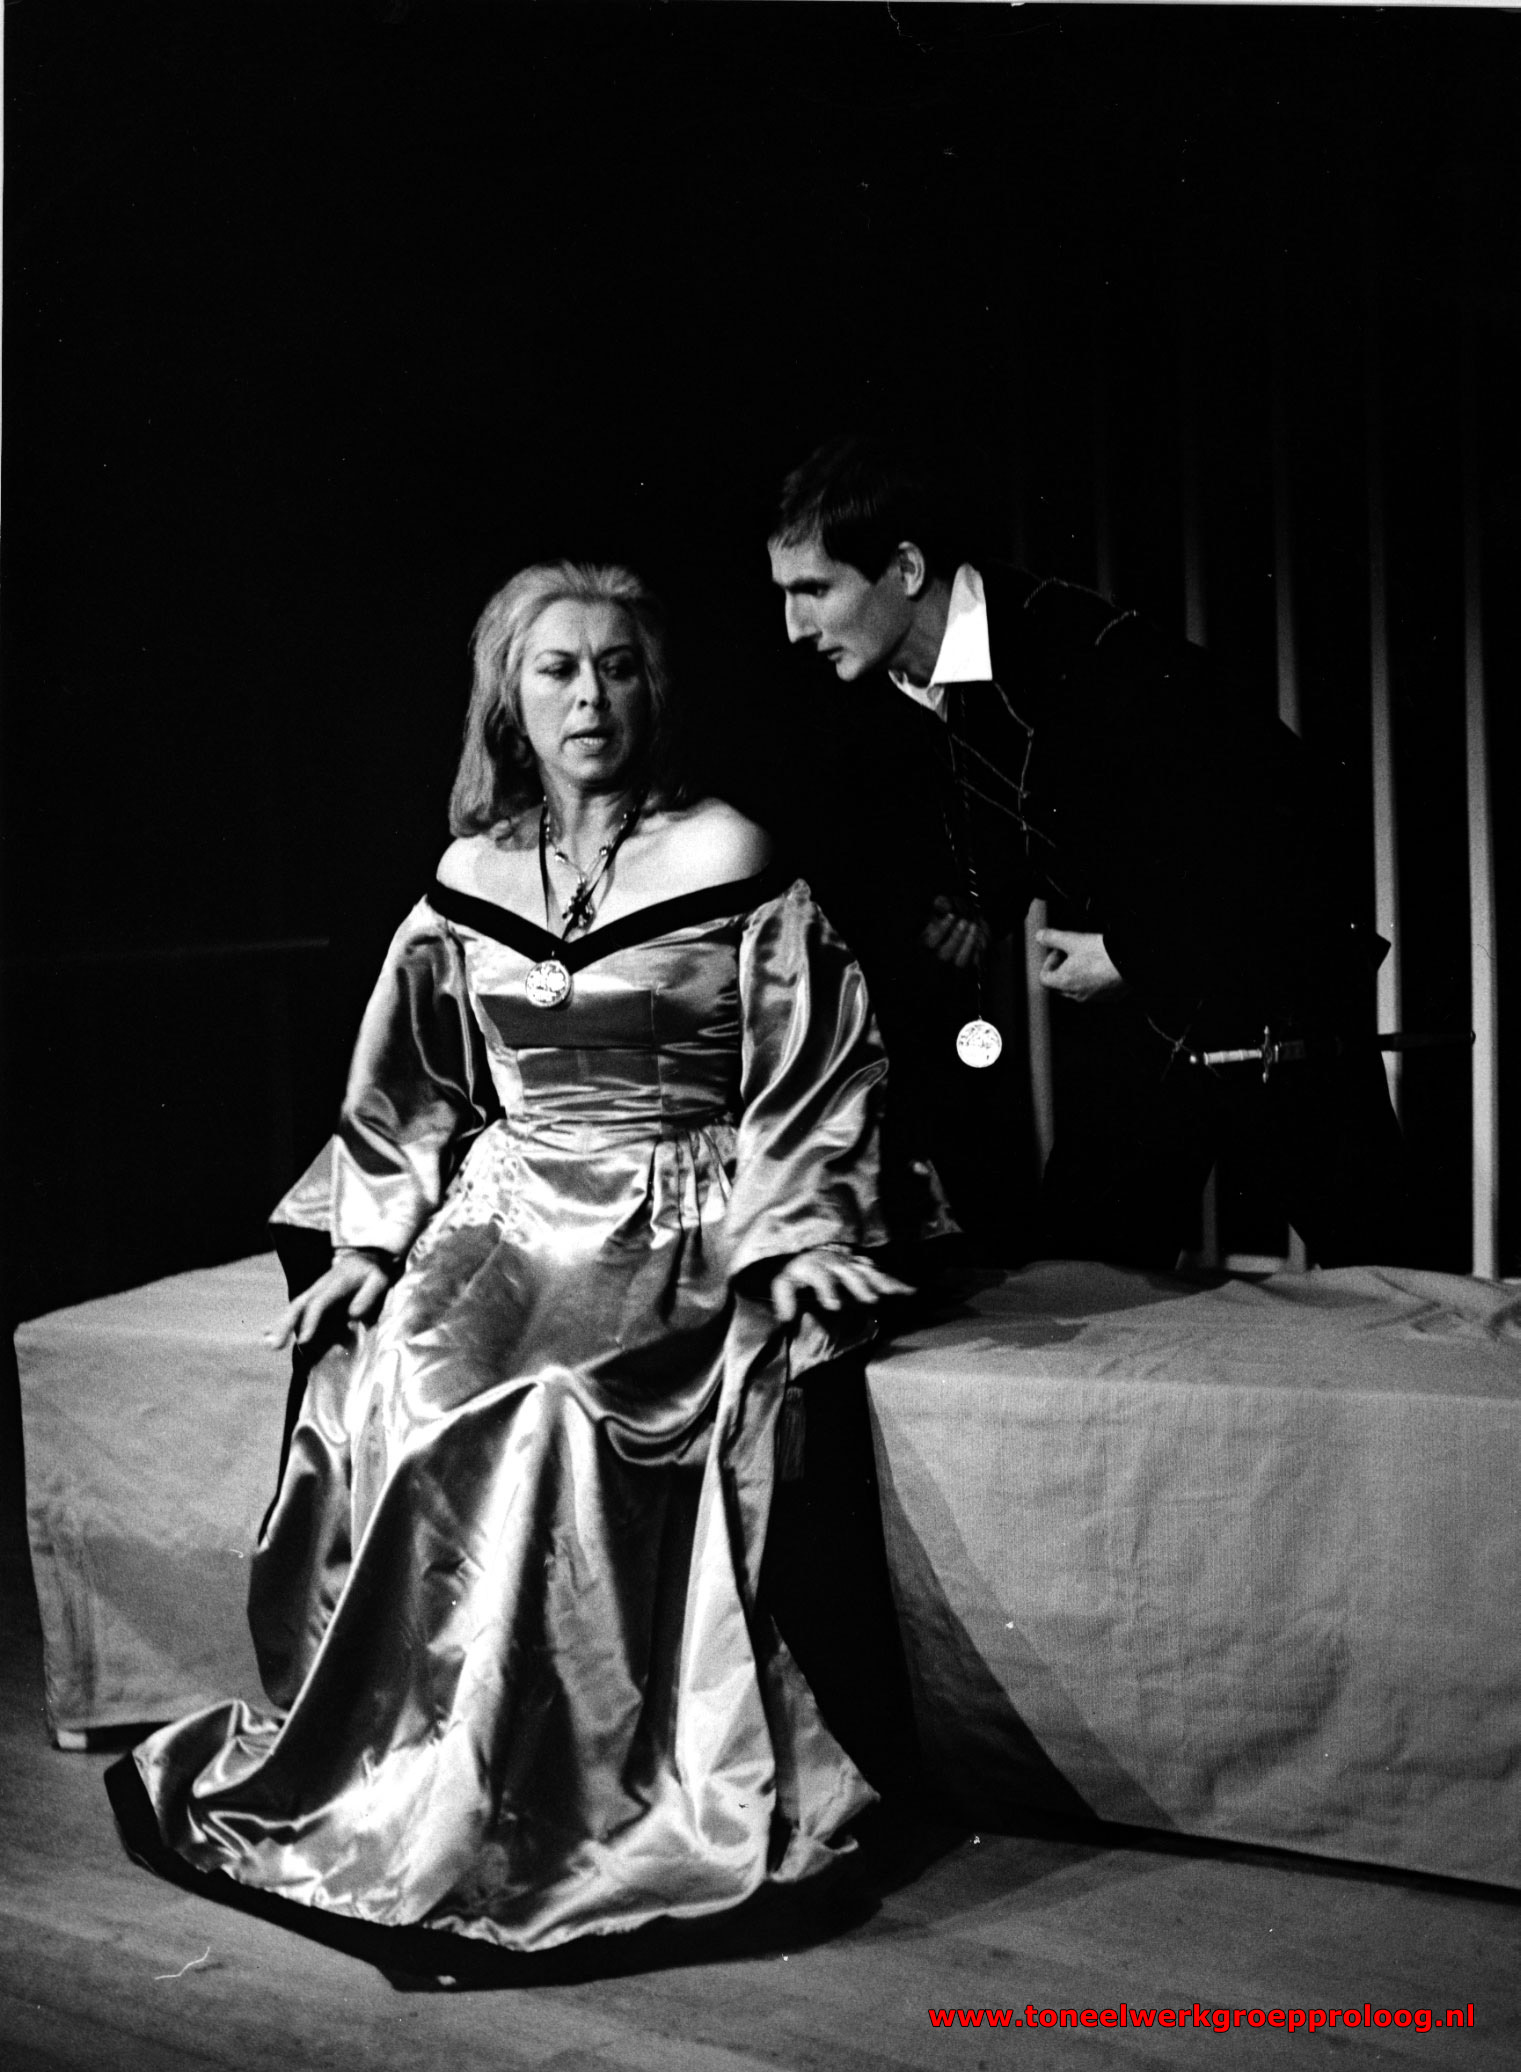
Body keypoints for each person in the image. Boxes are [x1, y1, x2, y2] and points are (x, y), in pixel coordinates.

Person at [114, 560, 913, 1962]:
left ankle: (556, 1806)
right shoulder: (471, 876)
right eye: (559, 669)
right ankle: (413, 1777)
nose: (591, 696)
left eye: (619, 666)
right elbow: (406, 1086)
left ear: (654, 690)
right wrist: (369, 1237)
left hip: (670, 1210)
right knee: (410, 1388)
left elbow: (813, 1064)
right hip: (506, 1209)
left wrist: (799, 1228)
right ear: (512, 699)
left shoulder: (725, 852)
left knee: (560, 1416)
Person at [767, 433, 1411, 1272]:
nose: (794, 627)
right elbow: (1045, 804)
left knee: (1406, 1302)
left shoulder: (1086, 650)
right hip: (1149, 1034)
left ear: (907, 569)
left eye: (813, 590)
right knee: (1080, 1288)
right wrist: (985, 903)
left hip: (1276, 1019)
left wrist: (1128, 956)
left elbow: (1287, 823)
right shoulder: (901, 684)